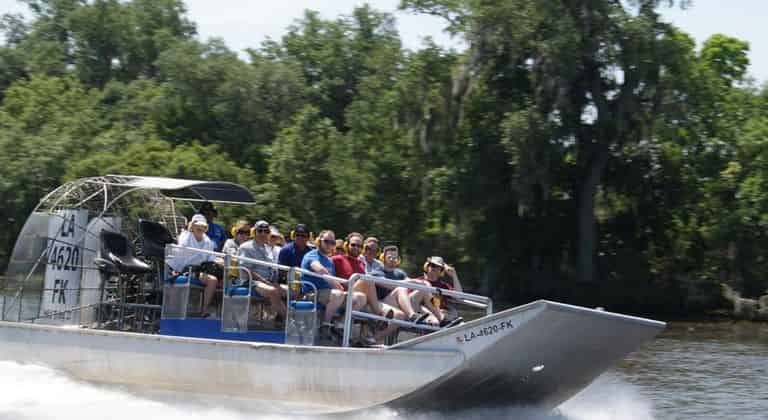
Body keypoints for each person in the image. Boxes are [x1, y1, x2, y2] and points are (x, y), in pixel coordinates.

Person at [332, 233, 400, 344]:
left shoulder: (360, 263)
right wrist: (335, 285)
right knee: (368, 279)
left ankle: (368, 338)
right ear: (346, 245)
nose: (356, 248)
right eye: (353, 245)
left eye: (359, 246)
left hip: (360, 297)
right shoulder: (338, 259)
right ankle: (379, 317)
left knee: (395, 313)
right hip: (345, 293)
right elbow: (326, 274)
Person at [300, 230, 366, 337]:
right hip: (313, 292)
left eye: (332, 243)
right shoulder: (312, 255)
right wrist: (335, 283)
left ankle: (340, 323)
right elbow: (320, 269)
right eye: (326, 241)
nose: (329, 245)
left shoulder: (329, 260)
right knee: (337, 294)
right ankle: (325, 325)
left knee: (360, 298)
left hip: (329, 294)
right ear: (319, 241)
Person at [167, 214, 219, 317]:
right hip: (181, 269)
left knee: (213, 280)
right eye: (197, 225)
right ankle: (171, 312)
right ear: (192, 226)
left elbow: (211, 258)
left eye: (203, 226)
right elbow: (182, 248)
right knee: (175, 280)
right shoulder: (185, 236)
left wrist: (219, 262)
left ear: (205, 228)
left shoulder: (208, 241)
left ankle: (204, 311)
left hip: (197, 271)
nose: (200, 228)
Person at [238, 220, 285, 318]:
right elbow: (245, 269)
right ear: (254, 232)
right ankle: (288, 319)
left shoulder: (267, 248)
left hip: (267, 281)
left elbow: (272, 268)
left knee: (290, 290)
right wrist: (264, 281)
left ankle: (279, 318)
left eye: (266, 231)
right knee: (273, 291)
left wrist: (274, 281)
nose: (263, 233)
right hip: (250, 282)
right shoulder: (246, 247)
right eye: (260, 231)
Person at [370, 245, 429, 324]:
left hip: (399, 304)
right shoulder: (376, 272)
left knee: (423, 290)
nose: (392, 259)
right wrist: (412, 282)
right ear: (383, 258)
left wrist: (424, 283)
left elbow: (410, 282)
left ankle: (440, 318)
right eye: (389, 257)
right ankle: (412, 316)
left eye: (395, 257)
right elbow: (391, 285)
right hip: (383, 305)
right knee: (401, 289)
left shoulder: (400, 273)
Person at [413, 256, 464, 328]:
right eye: (433, 265)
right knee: (435, 322)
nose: (434, 268)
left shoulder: (444, 286)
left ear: (441, 271)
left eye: (438, 267)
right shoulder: (418, 281)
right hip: (424, 315)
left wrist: (454, 276)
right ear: (427, 267)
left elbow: (460, 297)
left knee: (461, 324)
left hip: (442, 315)